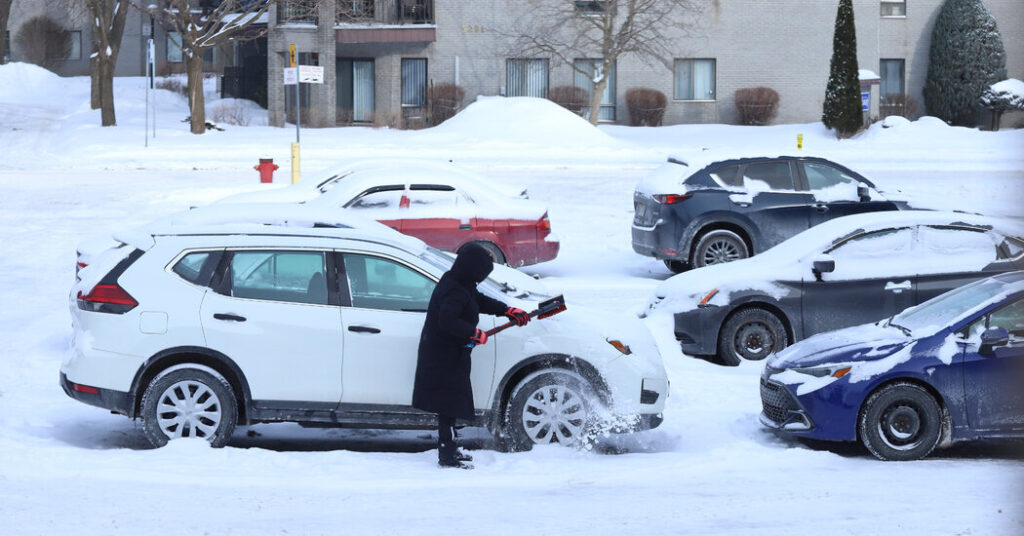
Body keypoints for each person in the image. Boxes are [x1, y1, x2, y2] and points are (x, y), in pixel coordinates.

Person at [412, 243, 530, 469]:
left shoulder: (460, 282)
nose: (483, 278)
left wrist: (506, 310)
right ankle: (446, 456)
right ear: (472, 268)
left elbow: (477, 300)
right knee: (447, 405)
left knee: (451, 404)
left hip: (452, 352)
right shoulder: (454, 288)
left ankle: (450, 449)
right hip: (442, 356)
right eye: (482, 272)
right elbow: (446, 320)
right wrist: (472, 332)